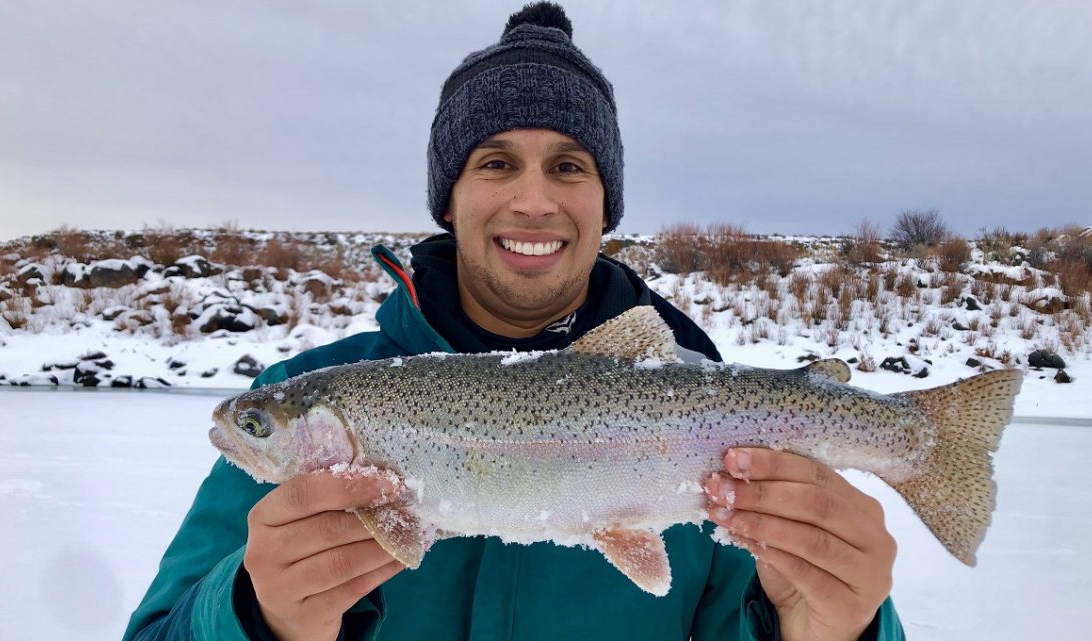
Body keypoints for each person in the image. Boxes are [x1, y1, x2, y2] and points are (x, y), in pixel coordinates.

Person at [124, 3, 905, 640]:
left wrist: (831, 629)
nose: (534, 201)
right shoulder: (295, 388)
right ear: (450, 197)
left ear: (606, 204)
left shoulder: (719, 415)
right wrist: (253, 618)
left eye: (569, 166)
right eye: (496, 163)